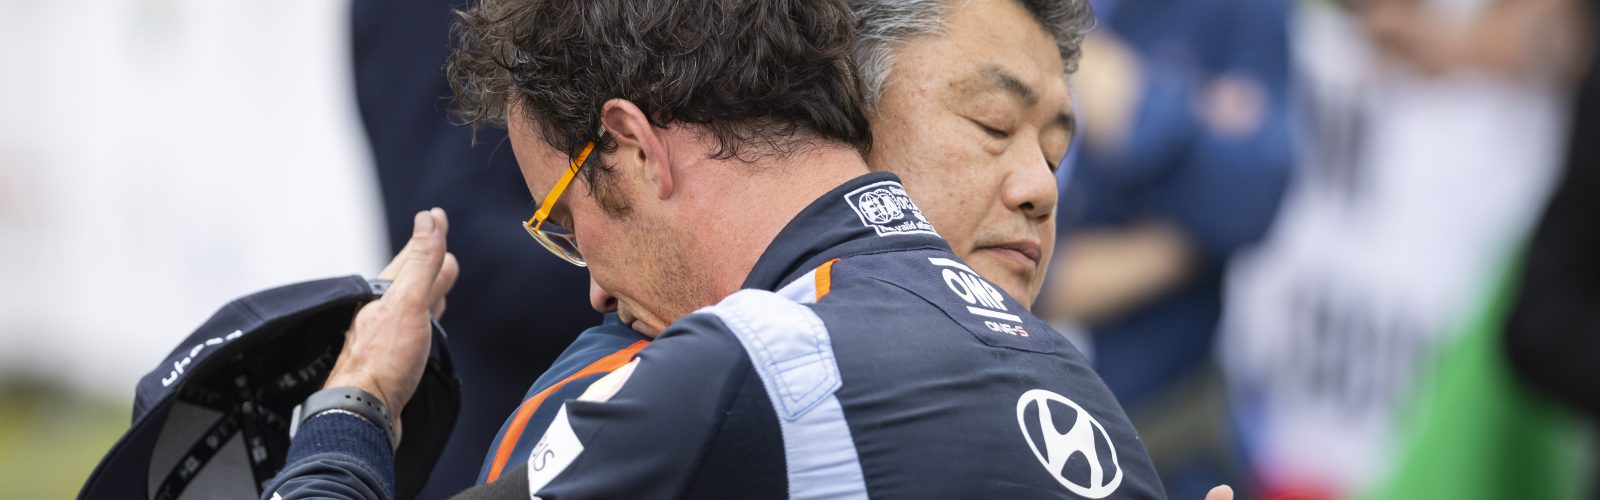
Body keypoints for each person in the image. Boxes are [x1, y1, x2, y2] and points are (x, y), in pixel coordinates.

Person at [263, 0, 1169, 498]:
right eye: (993, 126)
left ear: (634, 147)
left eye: (567, 220)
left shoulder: (748, 364)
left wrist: (356, 403)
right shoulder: (1088, 402)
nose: (593, 291)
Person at [475, 0, 1092, 484]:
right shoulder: (640, 377)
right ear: (849, 111)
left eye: (1056, 155)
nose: (1042, 187)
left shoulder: (1070, 397)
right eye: (992, 123)